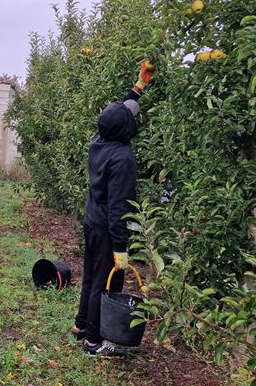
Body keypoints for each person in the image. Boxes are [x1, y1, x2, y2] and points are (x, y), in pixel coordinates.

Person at [73, 59, 155, 357]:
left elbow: (121, 110)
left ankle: (82, 325)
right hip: (108, 227)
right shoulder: (123, 159)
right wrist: (121, 247)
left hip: (92, 220)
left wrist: (140, 84)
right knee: (106, 283)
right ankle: (94, 341)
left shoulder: (100, 140)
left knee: (91, 277)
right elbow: (120, 208)